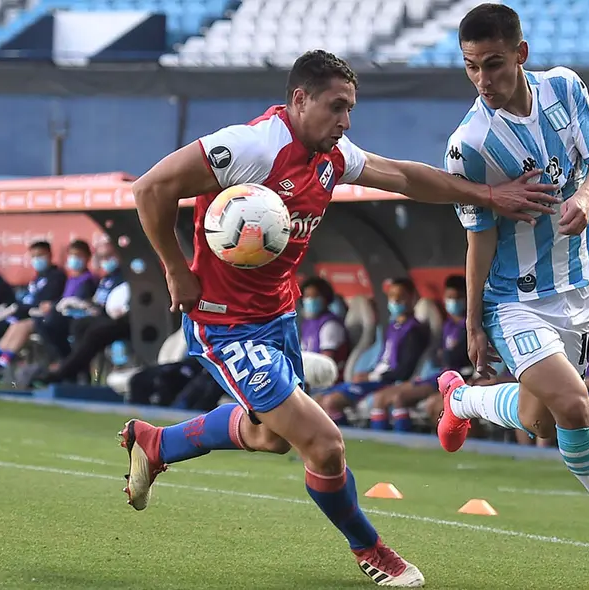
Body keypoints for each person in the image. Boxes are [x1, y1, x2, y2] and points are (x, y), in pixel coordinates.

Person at [117, 49, 561, 588]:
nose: (346, 121)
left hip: (277, 315)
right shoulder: (252, 146)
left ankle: (157, 444)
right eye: (337, 107)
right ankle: (371, 550)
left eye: (351, 109)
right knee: (325, 445)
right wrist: (175, 268)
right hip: (222, 321)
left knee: (270, 437)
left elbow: (402, 175)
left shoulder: (331, 155)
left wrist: (489, 195)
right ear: (299, 99)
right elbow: (150, 189)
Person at [430, 4, 589, 580]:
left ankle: (461, 401)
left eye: (493, 64)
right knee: (574, 405)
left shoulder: (566, 89)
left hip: (576, 288)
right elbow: (479, 239)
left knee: (542, 422)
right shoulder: (468, 143)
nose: (483, 81)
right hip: (511, 299)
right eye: (471, 67)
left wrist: (585, 199)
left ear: (521, 54)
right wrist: (473, 322)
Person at [317, 277, 430, 424]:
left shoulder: (414, 331)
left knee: (331, 402)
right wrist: (368, 374)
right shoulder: (391, 327)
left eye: (400, 297)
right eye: (391, 296)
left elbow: (404, 370)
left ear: (412, 298)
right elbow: (383, 360)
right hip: (376, 378)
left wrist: (371, 377)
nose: (395, 301)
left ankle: (345, 438)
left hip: (388, 382)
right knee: (319, 399)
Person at [370, 274, 474, 431]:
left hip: (459, 379)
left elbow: (456, 356)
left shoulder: (469, 327)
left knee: (400, 398)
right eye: (449, 297)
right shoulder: (447, 325)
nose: (452, 302)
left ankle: (404, 442)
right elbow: (436, 355)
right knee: (381, 397)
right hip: (439, 376)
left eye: (457, 297)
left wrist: (445, 355)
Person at [0, 240, 71, 370]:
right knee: (15, 325)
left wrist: (24, 308)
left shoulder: (56, 276)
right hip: (29, 314)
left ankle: (4, 361)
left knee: (24, 326)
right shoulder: (37, 278)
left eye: (40, 255)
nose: (37, 259)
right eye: (34, 256)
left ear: (49, 255)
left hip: (46, 318)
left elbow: (43, 301)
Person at [298, 276, 350, 383]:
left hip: (326, 379)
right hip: (309, 376)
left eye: (315, 296)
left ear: (325, 299)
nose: (310, 300)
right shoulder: (307, 323)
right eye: (307, 296)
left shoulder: (330, 324)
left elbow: (326, 361)